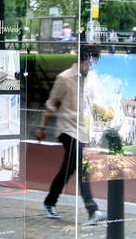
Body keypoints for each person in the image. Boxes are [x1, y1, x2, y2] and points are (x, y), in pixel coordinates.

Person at [35, 46, 104, 224]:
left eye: (94, 64)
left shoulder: (89, 81)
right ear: (83, 60)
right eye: (90, 63)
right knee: (83, 169)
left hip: (81, 131)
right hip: (67, 130)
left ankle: (49, 202)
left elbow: (93, 105)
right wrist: (41, 129)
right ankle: (92, 210)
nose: (92, 67)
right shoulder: (64, 78)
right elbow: (51, 105)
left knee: (68, 169)